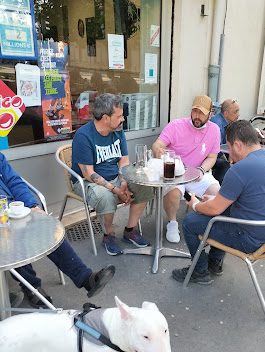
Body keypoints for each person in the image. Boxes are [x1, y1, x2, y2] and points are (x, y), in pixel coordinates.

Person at [171, 120, 265, 284]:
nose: (229, 154)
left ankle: (199, 271)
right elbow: (252, 197)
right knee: (222, 211)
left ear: (238, 145)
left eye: (228, 147)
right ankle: (214, 262)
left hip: (252, 240)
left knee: (190, 222)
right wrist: (217, 200)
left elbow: (213, 209)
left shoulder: (240, 169)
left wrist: (195, 205)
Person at [0, 152, 115, 308]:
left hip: (15, 210)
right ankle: (31, 287)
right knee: (12, 240)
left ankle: (86, 278)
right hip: (4, 220)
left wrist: (31, 206)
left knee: (47, 228)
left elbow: (14, 182)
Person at [71, 94, 153, 255]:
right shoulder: (83, 136)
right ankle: (109, 235)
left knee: (143, 184)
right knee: (106, 196)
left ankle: (130, 230)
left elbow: (124, 161)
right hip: (87, 182)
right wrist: (116, 191)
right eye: (119, 116)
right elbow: (89, 174)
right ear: (106, 118)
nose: (123, 119)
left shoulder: (118, 130)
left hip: (116, 178)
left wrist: (123, 184)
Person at [151, 95, 220, 244]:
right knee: (174, 193)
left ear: (210, 115)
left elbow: (212, 157)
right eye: (195, 111)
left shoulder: (214, 130)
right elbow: (157, 144)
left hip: (198, 172)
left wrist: (201, 170)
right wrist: (158, 150)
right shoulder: (176, 125)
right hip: (175, 173)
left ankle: (207, 224)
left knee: (217, 193)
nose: (197, 116)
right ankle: (172, 223)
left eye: (202, 113)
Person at [210, 99, 240, 184]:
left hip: (219, 152)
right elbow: (217, 150)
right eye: (236, 112)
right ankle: (216, 188)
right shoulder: (217, 125)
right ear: (226, 114)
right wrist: (228, 161)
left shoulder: (227, 122)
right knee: (224, 165)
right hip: (207, 156)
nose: (238, 114)